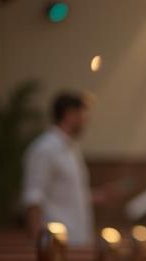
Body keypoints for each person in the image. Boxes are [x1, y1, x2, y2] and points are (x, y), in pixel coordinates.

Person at [22, 91, 115, 245]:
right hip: (56, 244)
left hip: (77, 240)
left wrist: (99, 196)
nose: (87, 120)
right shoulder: (44, 149)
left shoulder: (72, 149)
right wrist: (38, 248)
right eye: (83, 114)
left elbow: (68, 195)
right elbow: (33, 199)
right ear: (70, 114)